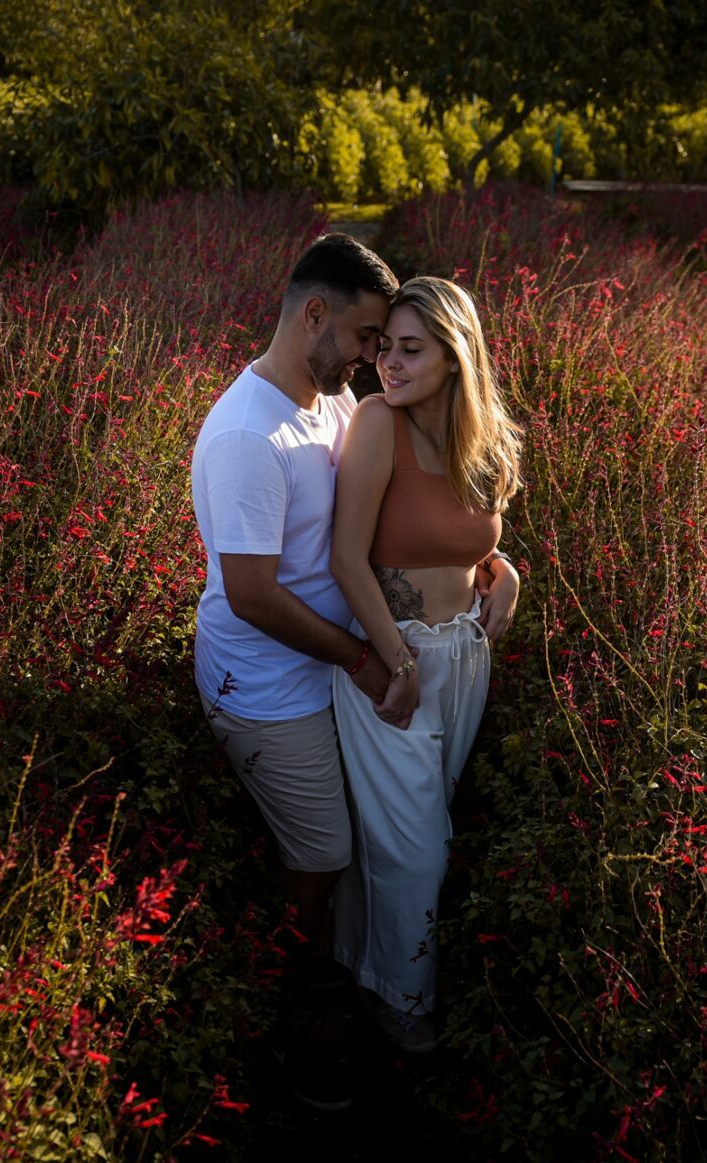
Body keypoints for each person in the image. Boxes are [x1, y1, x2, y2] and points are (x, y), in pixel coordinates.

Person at [190, 232, 399, 1109]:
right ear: (313, 314)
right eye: (362, 336)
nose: (370, 358)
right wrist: (358, 657)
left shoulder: (328, 404)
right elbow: (251, 597)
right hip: (268, 690)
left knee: (345, 846)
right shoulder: (248, 433)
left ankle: (308, 971)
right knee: (323, 853)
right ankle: (270, 1014)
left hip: (317, 679)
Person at [328, 275, 524, 1054]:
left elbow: (470, 542)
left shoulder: (481, 440)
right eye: (384, 348)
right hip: (389, 666)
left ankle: (356, 965)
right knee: (420, 848)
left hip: (463, 660)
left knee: (414, 829)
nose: (389, 364)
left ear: (455, 357)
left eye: (411, 350)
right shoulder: (378, 424)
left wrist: (507, 571)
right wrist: (395, 659)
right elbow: (347, 559)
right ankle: (407, 1006)